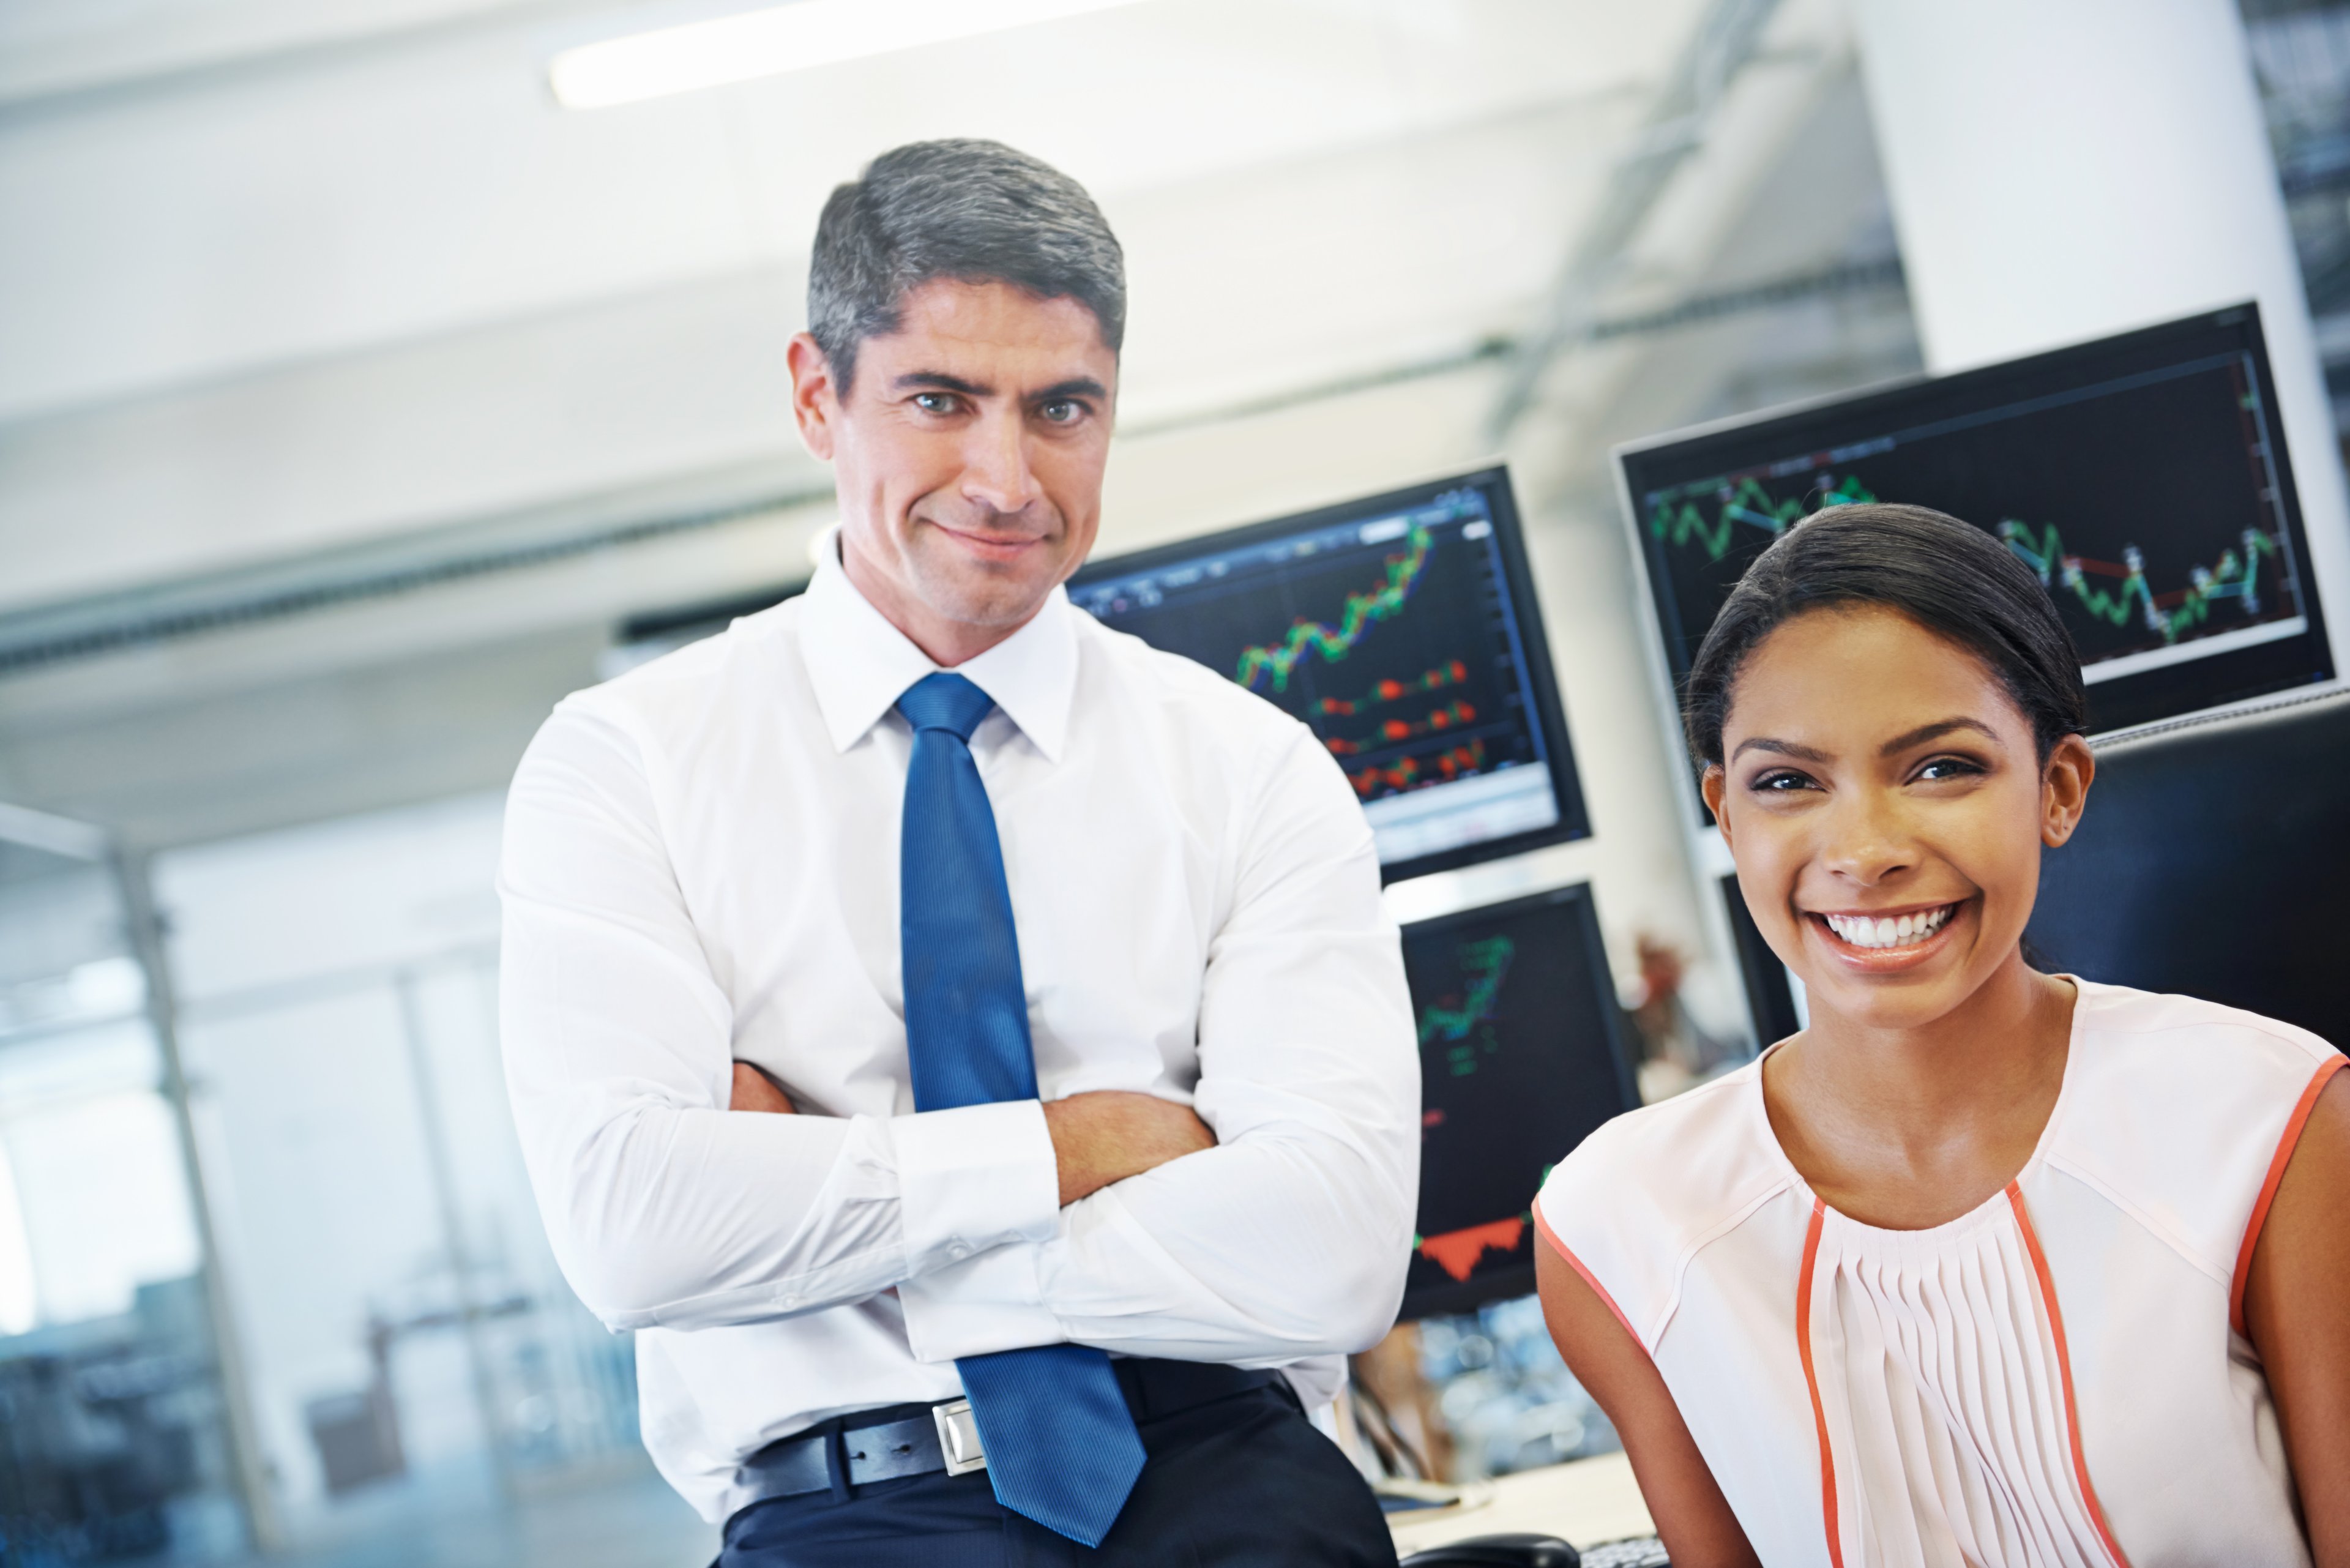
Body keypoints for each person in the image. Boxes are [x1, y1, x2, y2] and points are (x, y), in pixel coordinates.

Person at [498, 140, 1417, 1566]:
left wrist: (832, 1208)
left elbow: (1336, 1256)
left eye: (1062, 408)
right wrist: (1095, 1142)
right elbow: (636, 1235)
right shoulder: (628, 766)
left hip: (1227, 1474)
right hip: (847, 1512)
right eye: (940, 401)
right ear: (820, 394)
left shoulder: (1248, 768)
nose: (1006, 477)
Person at [1533, 503, 2349, 1566]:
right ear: (1727, 816)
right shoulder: (1619, 1224)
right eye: (1787, 782)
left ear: (2056, 789)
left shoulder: (2267, 1120)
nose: (1865, 850)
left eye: (1939, 768)